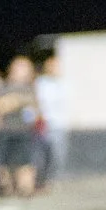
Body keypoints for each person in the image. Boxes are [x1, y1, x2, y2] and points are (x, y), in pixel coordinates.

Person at [0, 55, 40, 196]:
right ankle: (7, 188)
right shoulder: (3, 86)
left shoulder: (30, 88)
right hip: (5, 130)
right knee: (3, 164)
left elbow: (35, 107)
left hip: (24, 130)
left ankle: (25, 188)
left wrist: (15, 101)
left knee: (24, 163)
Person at [34, 53, 70, 185]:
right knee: (42, 153)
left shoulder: (64, 83)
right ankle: (41, 178)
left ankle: (54, 177)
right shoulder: (40, 83)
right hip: (44, 124)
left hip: (59, 124)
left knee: (58, 153)